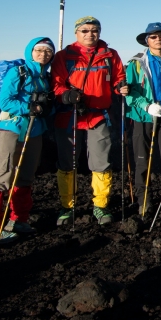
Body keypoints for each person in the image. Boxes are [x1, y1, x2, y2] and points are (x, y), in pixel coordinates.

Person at [51, 16, 128, 226]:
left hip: (98, 116)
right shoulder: (63, 57)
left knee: (101, 163)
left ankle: (100, 206)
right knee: (67, 163)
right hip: (70, 116)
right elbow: (56, 84)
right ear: (76, 33)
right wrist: (66, 95)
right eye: (84, 30)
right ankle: (67, 207)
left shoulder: (110, 55)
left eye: (94, 30)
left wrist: (120, 86)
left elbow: (118, 77)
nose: (90, 34)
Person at [0, 37, 57, 243]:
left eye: (48, 51)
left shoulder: (46, 78)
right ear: (30, 52)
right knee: (2, 176)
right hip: (11, 129)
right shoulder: (18, 72)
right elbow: (6, 101)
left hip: (34, 131)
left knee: (25, 176)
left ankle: (18, 220)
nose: (43, 54)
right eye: (39, 50)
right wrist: (28, 108)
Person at [125, 23, 161, 216]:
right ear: (147, 40)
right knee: (143, 161)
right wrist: (146, 105)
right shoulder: (136, 62)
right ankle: (144, 200)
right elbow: (130, 92)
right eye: (153, 37)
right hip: (143, 118)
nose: (158, 39)